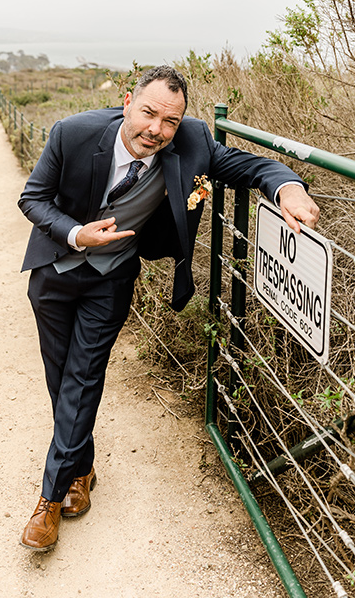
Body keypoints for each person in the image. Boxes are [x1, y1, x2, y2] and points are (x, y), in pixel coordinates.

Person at [17, 65, 319, 552]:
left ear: (181, 125)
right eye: (148, 113)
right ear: (128, 104)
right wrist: (77, 233)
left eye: (170, 122)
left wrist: (289, 188)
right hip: (54, 270)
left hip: (109, 280)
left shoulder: (194, 143)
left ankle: (49, 499)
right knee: (61, 378)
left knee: (83, 376)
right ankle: (82, 468)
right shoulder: (72, 134)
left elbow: (253, 167)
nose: (155, 130)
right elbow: (33, 198)